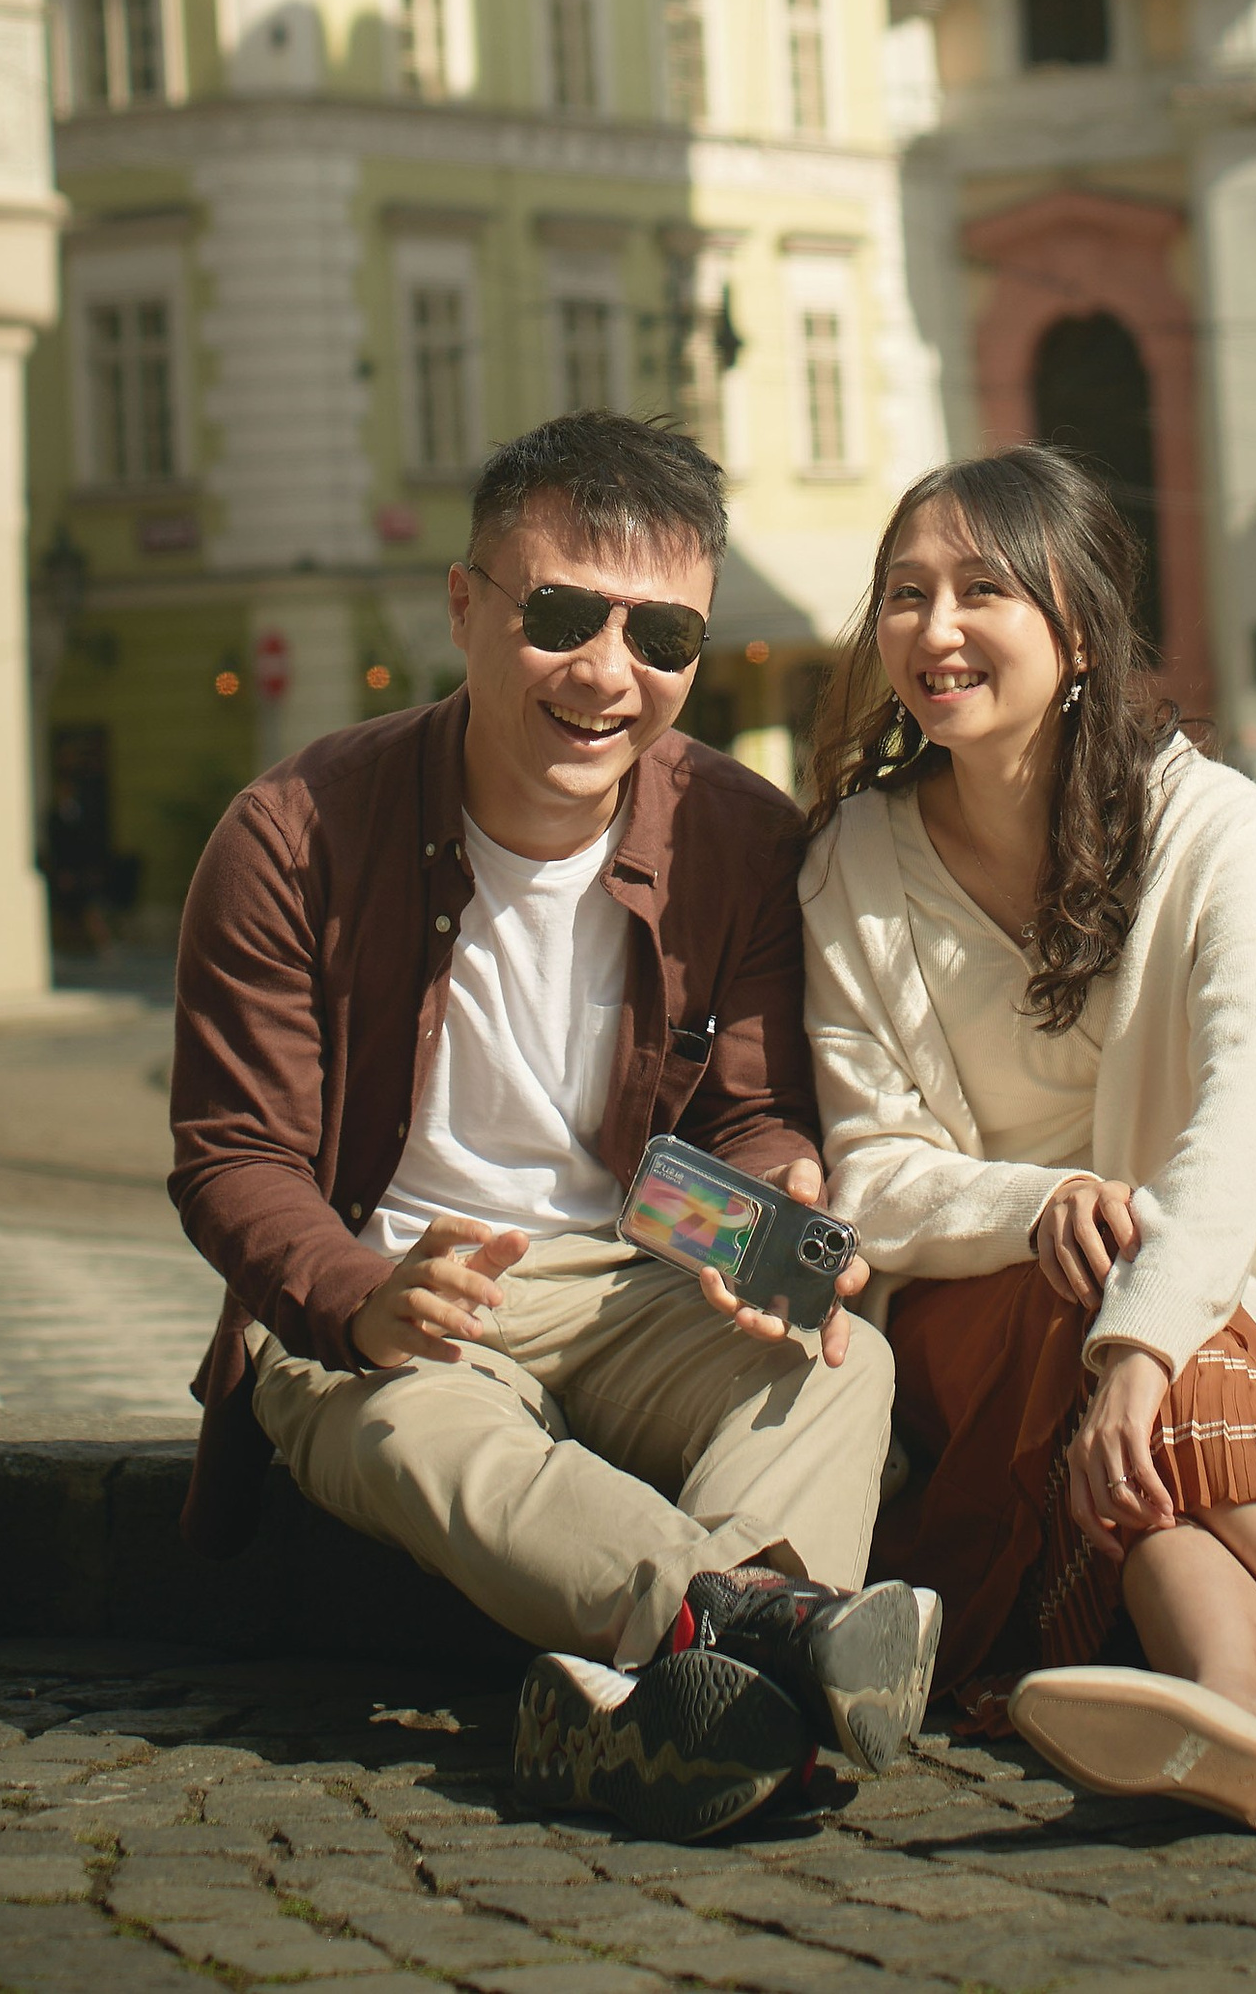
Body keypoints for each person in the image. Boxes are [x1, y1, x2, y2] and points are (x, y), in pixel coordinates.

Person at [171, 412, 936, 1843]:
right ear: (465, 604)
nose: (609, 673)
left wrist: (771, 1217)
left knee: (841, 1366)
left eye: (664, 639)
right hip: (393, 1283)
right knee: (413, 1429)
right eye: (566, 615)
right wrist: (359, 1293)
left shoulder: (739, 829)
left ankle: (671, 1709)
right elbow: (234, 1154)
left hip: (632, 1278)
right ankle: (765, 1633)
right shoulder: (292, 829)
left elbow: (756, 1114)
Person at [800, 448, 1256, 1838]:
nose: (933, 629)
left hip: (1181, 1298)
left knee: (1145, 1359)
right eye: (904, 592)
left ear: (1078, 629)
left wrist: (1137, 1342)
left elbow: (1245, 1110)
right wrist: (1042, 1202)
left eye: (980, 588)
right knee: (1108, 1285)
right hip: (972, 1318)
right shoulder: (852, 861)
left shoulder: (1214, 825)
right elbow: (871, 1172)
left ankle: (1228, 1711)